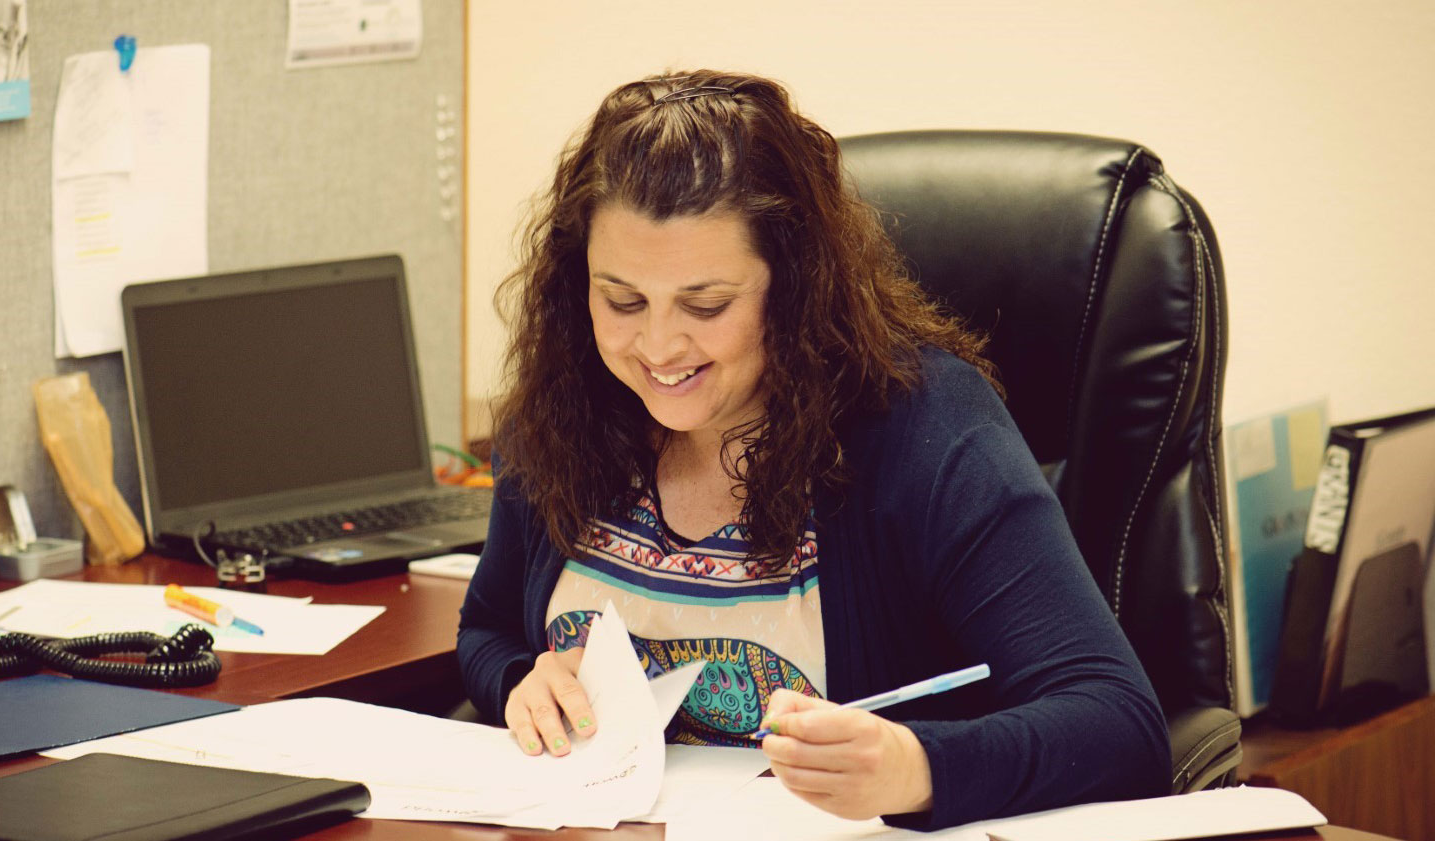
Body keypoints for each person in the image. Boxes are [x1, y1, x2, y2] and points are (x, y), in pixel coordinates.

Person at [456, 69, 1170, 829]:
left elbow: (1120, 725)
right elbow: (487, 628)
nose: (656, 345)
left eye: (707, 303)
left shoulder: (925, 429)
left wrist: (916, 768)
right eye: (622, 299)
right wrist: (520, 681)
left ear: (794, 287)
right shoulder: (566, 405)